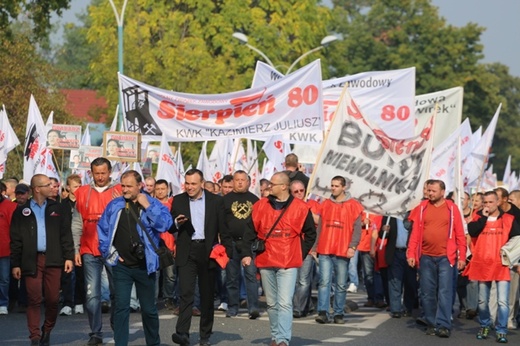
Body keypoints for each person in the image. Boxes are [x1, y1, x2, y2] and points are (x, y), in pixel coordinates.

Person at [98, 170, 173, 346]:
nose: (124, 189)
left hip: (145, 265)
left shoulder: (152, 203)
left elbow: (165, 225)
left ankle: (153, 343)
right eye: (122, 185)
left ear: (140, 186)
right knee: (122, 308)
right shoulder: (114, 205)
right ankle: (121, 343)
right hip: (122, 266)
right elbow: (102, 231)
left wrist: (147, 205)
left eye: (129, 186)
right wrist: (112, 255)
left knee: (149, 310)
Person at [241, 172, 316, 346]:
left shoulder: (301, 208)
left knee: (284, 302)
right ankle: (275, 336)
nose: (268, 187)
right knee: (272, 303)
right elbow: (249, 233)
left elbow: (310, 234)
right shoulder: (260, 206)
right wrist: (246, 254)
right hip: (266, 260)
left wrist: (300, 253)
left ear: (283, 186)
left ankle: (283, 339)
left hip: (288, 262)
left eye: (272, 184)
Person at [10, 174, 74, 346]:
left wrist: (69, 257)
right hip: (31, 260)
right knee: (34, 299)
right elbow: (15, 239)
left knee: (53, 299)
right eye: (48, 185)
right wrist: (15, 264)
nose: (52, 187)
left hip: (54, 259)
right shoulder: (22, 211)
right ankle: (35, 337)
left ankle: (47, 329)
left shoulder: (58, 208)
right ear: (37, 189)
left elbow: (66, 235)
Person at [170, 169, 231, 346]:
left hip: (208, 251)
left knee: (206, 296)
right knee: (186, 293)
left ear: (202, 183)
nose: (189, 187)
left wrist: (226, 251)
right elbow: (170, 226)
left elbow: (223, 229)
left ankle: (205, 335)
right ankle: (182, 333)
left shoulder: (216, 201)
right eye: (187, 183)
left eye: (193, 184)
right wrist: (176, 223)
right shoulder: (179, 200)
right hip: (187, 251)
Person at [407, 179, 467, 338]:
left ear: (442, 192)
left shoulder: (452, 209)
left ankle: (443, 324)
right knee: (427, 292)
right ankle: (431, 322)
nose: (430, 193)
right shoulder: (422, 208)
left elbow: (460, 235)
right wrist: (411, 253)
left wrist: (461, 256)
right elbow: (415, 234)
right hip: (425, 257)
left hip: (446, 258)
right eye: (428, 191)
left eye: (433, 191)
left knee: (445, 291)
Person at [72, 157, 122, 346]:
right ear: (91, 173)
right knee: (92, 294)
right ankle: (95, 332)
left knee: (117, 292)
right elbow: (76, 224)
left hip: (113, 250)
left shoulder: (119, 191)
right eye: (96, 173)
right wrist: (76, 249)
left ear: (110, 172)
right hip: (88, 249)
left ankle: (117, 325)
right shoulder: (82, 193)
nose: (100, 177)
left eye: (103, 173)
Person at [464, 191, 520, 343]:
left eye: (490, 202)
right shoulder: (478, 218)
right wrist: (483, 217)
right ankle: (484, 325)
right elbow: (472, 231)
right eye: (485, 202)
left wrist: (514, 259)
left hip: (501, 265)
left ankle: (501, 329)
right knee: (482, 301)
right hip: (483, 264)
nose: (487, 205)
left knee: (502, 301)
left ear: (497, 202)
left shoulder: (509, 219)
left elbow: (517, 239)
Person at [314, 176, 363, 324]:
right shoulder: (326, 204)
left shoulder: (353, 205)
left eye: (336, 186)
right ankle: (322, 312)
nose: (333, 188)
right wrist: (315, 247)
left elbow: (357, 229)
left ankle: (338, 313)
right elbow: (320, 227)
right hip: (325, 248)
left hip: (342, 250)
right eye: (332, 185)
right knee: (324, 282)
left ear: (344, 187)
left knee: (341, 284)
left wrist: (352, 246)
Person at [221, 170, 260, 319]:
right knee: (232, 277)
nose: (239, 182)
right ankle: (232, 307)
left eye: (243, 180)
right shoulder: (225, 200)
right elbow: (221, 223)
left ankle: (253, 308)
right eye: (237, 179)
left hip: (249, 245)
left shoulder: (255, 200)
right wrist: (224, 243)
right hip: (231, 242)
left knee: (250, 276)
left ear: (248, 182)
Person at [290, 180, 320, 318]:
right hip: (291, 247)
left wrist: (307, 209)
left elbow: (319, 222)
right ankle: (304, 305)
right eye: (295, 191)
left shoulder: (312, 204)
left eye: (301, 190)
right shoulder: (289, 204)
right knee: (294, 280)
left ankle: (298, 308)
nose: (299, 194)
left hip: (307, 248)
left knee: (303, 280)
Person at [381, 215, 417, 318]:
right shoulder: (390, 215)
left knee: (410, 281)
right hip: (395, 252)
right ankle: (395, 309)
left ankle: (408, 307)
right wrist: (384, 230)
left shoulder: (413, 214)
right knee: (394, 281)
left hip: (410, 253)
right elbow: (382, 235)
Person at [59, 174, 85, 316]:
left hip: (81, 243)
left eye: (80, 186)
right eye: (75, 186)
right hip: (66, 244)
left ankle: (79, 302)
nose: (78, 189)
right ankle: (67, 302)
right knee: (68, 274)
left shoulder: (83, 204)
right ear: (68, 188)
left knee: (81, 273)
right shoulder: (62, 205)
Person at [154, 179, 177, 310]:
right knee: (155, 275)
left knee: (170, 275)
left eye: (163, 188)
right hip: (156, 244)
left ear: (167, 189)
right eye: (158, 189)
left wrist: (175, 244)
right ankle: (153, 300)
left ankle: (169, 298)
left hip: (169, 244)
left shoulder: (173, 205)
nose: (160, 191)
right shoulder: (150, 204)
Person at [0, 189, 17, 315]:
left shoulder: (10, 206)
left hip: (5, 249)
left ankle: (3, 303)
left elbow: (14, 228)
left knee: (4, 279)